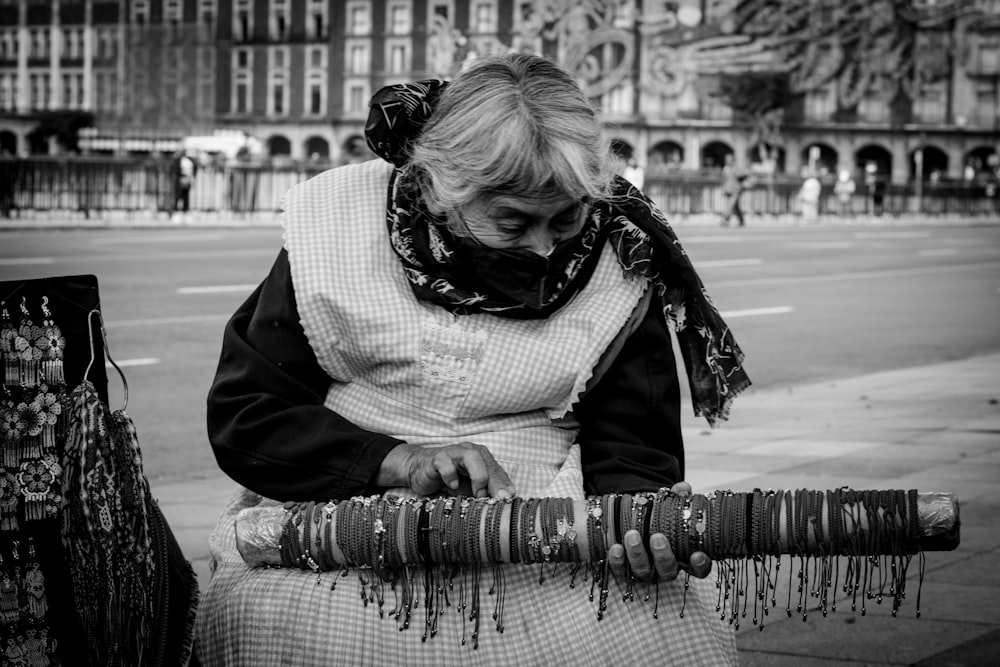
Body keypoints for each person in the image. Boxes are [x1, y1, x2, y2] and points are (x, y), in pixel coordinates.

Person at [196, 53, 749, 666]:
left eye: (566, 219)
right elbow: (249, 415)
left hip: (545, 512)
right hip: (346, 503)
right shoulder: (335, 229)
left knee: (659, 626)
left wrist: (636, 517)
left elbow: (632, 441)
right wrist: (399, 462)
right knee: (301, 626)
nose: (545, 250)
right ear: (441, 191)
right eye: (512, 223)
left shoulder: (621, 258)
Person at [720, 153, 748, 226]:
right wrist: (723, 190)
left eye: (729, 160)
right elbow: (724, 181)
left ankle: (725, 220)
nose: (727, 161)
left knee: (730, 205)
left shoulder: (736, 168)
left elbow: (746, 174)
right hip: (728, 190)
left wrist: (744, 182)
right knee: (736, 207)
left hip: (735, 190)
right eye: (726, 160)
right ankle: (741, 219)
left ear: (732, 161)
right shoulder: (726, 169)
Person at [173, 150, 197, 221]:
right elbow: (175, 170)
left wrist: (190, 178)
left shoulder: (189, 160)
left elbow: (194, 169)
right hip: (180, 179)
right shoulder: (178, 160)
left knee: (186, 197)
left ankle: (185, 212)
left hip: (187, 179)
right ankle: (176, 212)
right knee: (178, 196)